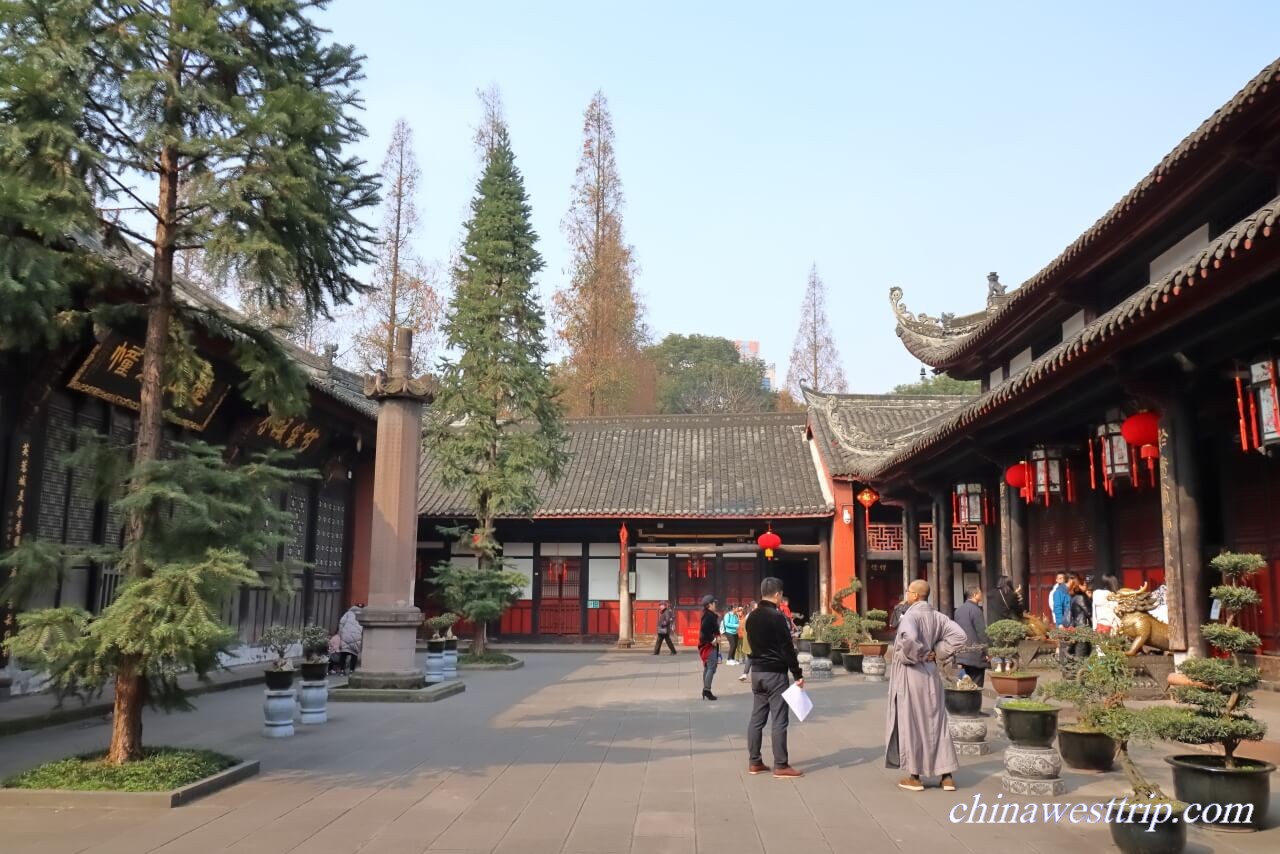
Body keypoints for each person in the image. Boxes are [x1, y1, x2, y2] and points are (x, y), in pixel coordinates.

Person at [885, 580, 967, 792]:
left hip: (912, 673)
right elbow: (960, 636)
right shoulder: (938, 616)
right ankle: (946, 776)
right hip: (931, 674)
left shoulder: (910, 616)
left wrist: (919, 654)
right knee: (937, 722)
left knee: (912, 722)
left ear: (914, 595)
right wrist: (937, 652)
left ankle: (915, 776)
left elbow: (910, 638)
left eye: (908, 591)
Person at [745, 577, 805, 778]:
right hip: (775, 674)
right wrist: (797, 673)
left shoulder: (751, 617)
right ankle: (781, 765)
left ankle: (755, 762)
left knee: (757, 718)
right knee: (779, 718)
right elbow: (787, 648)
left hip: (757, 672)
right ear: (778, 594)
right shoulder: (777, 617)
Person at [953, 587, 989, 687]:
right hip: (975, 654)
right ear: (974, 595)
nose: (981, 594)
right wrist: (987, 652)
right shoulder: (976, 610)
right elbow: (981, 633)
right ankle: (974, 702)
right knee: (976, 684)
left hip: (961, 652)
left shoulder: (958, 610)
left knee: (963, 686)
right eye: (980, 592)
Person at [698, 594, 721, 701]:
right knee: (711, 667)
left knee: (708, 667)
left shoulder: (709, 615)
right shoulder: (708, 616)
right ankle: (707, 690)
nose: (715, 604)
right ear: (709, 605)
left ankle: (706, 689)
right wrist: (713, 640)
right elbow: (704, 631)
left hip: (707, 644)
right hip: (708, 645)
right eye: (714, 603)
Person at [1068, 576, 1093, 657]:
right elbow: (1089, 613)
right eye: (1084, 585)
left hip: (1077, 626)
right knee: (1082, 652)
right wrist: (1090, 599)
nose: (1086, 587)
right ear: (1079, 586)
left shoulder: (1074, 597)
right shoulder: (1081, 597)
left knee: (1080, 652)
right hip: (1083, 627)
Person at [337, 602, 364, 674]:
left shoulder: (348, 613)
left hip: (346, 635)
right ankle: (352, 670)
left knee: (344, 653)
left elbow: (341, 623)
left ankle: (342, 670)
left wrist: (340, 633)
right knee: (354, 653)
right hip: (357, 636)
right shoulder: (363, 614)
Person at [738, 601, 756, 682]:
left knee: (751, 658)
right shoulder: (752, 616)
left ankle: (745, 673)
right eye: (756, 608)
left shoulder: (749, 616)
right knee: (754, 658)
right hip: (752, 640)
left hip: (750, 640)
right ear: (752, 608)